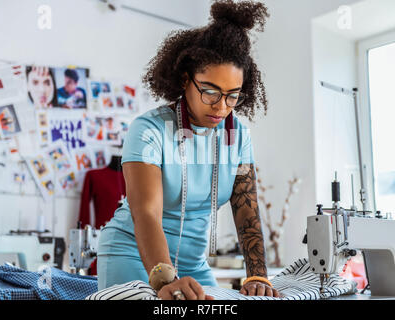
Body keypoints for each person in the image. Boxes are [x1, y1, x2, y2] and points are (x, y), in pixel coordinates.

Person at [97, 0, 279, 300]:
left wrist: (257, 273)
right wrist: (165, 281)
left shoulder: (238, 135)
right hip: (131, 255)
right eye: (209, 92)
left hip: (194, 266)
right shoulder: (149, 131)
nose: (221, 107)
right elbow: (146, 213)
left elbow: (246, 208)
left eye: (232, 96)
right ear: (185, 79)